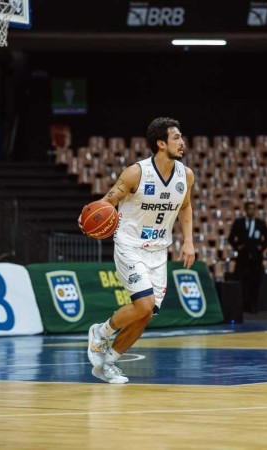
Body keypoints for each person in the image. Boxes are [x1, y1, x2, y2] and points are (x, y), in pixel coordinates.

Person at [83, 117, 195, 384]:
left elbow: (186, 206)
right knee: (143, 303)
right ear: (160, 143)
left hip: (159, 251)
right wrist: (88, 214)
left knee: (146, 315)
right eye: (176, 137)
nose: (182, 142)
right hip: (130, 245)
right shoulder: (136, 173)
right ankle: (100, 332)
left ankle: (107, 363)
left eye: (181, 137)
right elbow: (107, 202)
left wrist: (188, 241)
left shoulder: (186, 175)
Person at [227, 201, 267, 313]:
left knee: (255, 283)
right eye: (249, 208)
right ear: (245, 210)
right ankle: (240, 306)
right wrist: (237, 247)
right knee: (241, 282)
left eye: (253, 208)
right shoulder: (239, 223)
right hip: (242, 258)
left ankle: (253, 306)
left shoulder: (260, 223)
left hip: (256, 258)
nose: (251, 210)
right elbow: (231, 238)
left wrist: (261, 248)